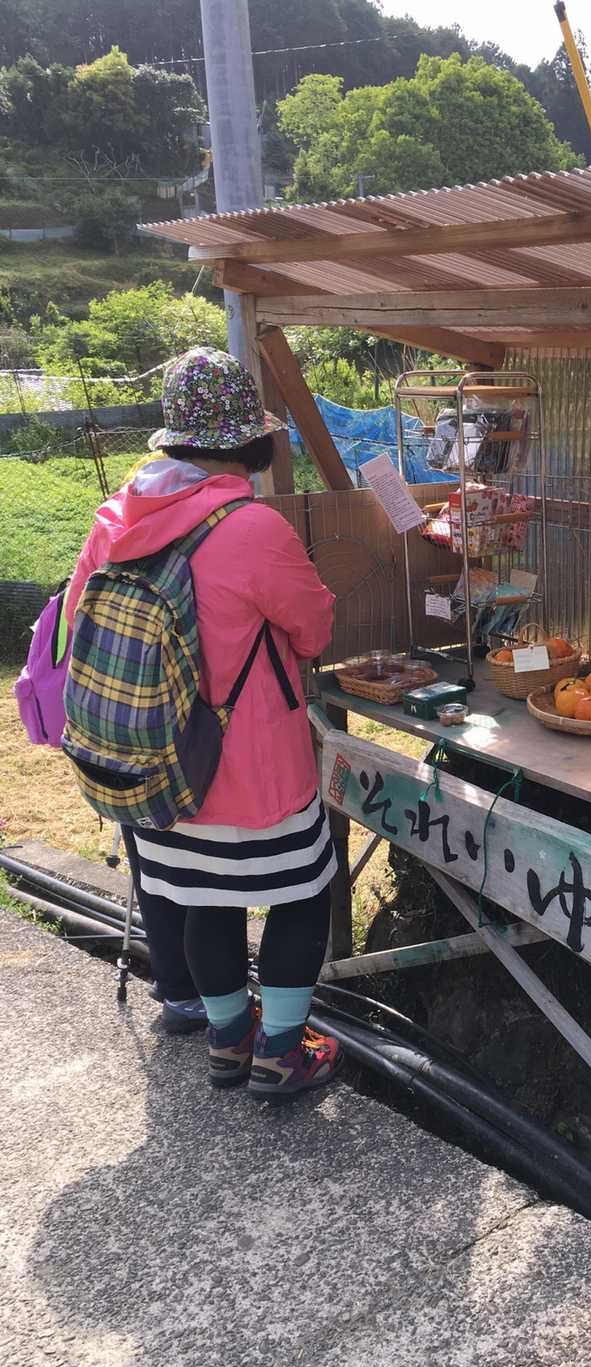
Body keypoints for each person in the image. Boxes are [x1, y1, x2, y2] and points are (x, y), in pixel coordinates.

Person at [67, 346, 340, 1101]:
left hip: (159, 769)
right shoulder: (254, 528)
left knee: (202, 899)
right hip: (256, 771)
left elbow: (81, 627)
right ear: (249, 441)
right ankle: (281, 1050)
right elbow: (314, 629)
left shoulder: (114, 521)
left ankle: (228, 1039)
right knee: (301, 894)